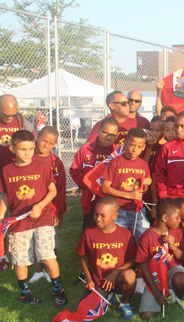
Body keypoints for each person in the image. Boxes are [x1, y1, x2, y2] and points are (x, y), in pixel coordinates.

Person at [0, 130, 67, 306]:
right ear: (13, 149)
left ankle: (58, 290)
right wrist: (1, 219)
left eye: (30, 149)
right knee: (20, 259)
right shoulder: (6, 171)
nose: (28, 153)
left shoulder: (43, 167)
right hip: (19, 222)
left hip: (42, 218)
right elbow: (6, 197)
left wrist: (40, 206)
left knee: (47, 255)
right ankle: (25, 294)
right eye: (22, 149)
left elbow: (52, 191)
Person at [76, 196, 137, 320]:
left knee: (130, 275)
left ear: (115, 215)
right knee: (82, 312)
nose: (98, 219)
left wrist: (116, 272)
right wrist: (88, 279)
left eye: (102, 215)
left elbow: (133, 261)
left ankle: (124, 303)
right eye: (96, 214)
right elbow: (83, 256)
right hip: (99, 282)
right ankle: (109, 296)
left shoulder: (126, 234)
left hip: (119, 280)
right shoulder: (89, 233)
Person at [136, 197, 184, 317]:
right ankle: (167, 293)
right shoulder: (146, 237)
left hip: (173, 271)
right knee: (147, 315)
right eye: (177, 218)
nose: (180, 220)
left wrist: (173, 247)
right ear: (165, 218)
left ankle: (182, 297)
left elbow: (183, 257)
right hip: (155, 277)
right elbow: (143, 266)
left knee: (180, 279)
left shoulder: (176, 231)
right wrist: (156, 291)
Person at [29, 126, 67, 283]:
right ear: (37, 137)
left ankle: (52, 269)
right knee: (33, 240)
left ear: (55, 144)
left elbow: (60, 189)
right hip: (31, 209)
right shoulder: (28, 157)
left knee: (51, 241)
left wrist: (59, 212)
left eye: (51, 143)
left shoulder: (56, 163)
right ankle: (38, 271)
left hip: (50, 210)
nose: (46, 145)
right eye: (44, 140)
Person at [101, 128, 152, 242]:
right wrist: (128, 195)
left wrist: (146, 185)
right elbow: (105, 188)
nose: (135, 149)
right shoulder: (116, 162)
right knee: (118, 239)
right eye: (132, 145)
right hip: (118, 210)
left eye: (139, 147)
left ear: (143, 147)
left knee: (144, 238)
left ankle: (141, 259)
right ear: (125, 143)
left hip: (138, 209)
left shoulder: (143, 165)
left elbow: (142, 191)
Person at [70, 118, 119, 231]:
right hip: (91, 202)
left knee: (109, 234)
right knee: (90, 232)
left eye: (112, 135)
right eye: (105, 132)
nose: (108, 137)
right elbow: (74, 170)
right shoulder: (85, 150)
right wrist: (87, 185)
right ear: (98, 131)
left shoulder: (118, 153)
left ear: (116, 136)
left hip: (111, 202)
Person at [0, 94, 37, 174]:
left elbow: (35, 147)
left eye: (13, 115)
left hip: (18, 172)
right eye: (6, 115)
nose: (9, 117)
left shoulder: (25, 126)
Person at [142, 116, 165, 225]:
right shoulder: (143, 146)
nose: (154, 133)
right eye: (151, 129)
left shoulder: (163, 149)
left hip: (158, 195)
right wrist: (149, 148)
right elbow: (143, 168)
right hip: (145, 195)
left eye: (158, 130)